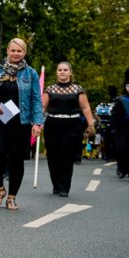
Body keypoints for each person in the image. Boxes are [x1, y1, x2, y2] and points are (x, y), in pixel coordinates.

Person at [0, 38, 43, 211]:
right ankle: (0, 189)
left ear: (24, 53)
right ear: (7, 51)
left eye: (19, 51)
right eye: (13, 50)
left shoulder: (31, 73)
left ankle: (12, 197)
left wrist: (37, 123)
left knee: (16, 159)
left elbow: (36, 99)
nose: (16, 54)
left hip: (20, 121)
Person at [41, 62, 95, 197]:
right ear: (57, 72)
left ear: (70, 72)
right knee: (53, 156)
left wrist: (91, 125)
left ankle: (64, 187)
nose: (62, 72)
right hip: (52, 124)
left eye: (65, 70)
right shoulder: (50, 89)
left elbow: (85, 108)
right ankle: (56, 184)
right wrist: (36, 123)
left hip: (72, 125)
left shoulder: (78, 89)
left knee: (66, 156)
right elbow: (42, 108)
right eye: (60, 70)